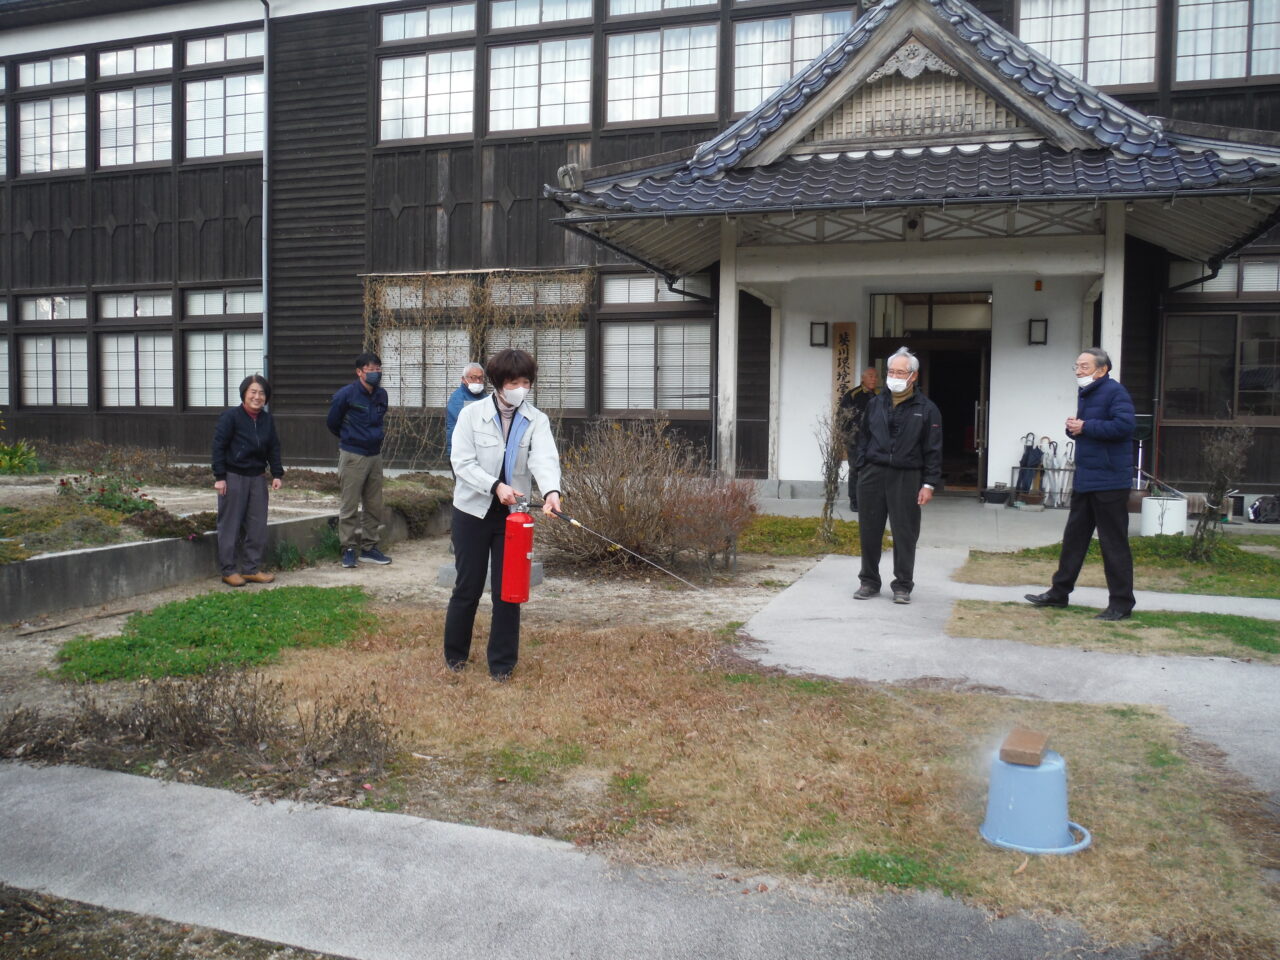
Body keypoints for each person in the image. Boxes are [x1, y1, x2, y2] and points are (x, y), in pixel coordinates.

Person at [446, 348, 562, 681]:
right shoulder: (471, 415)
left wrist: (551, 492)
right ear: (498, 383)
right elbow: (462, 462)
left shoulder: (536, 419)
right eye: (513, 383)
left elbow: (544, 458)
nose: (520, 389)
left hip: (513, 515)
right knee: (467, 586)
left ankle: (502, 665)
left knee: (508, 590)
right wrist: (495, 486)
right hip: (472, 510)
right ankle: (455, 656)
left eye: (526, 382)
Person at [1025, 348, 1136, 621]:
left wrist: (1085, 426)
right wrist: (1074, 428)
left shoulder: (1115, 392)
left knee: (1113, 544)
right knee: (1073, 540)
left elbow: (1124, 427)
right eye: (1076, 366)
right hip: (1086, 479)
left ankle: (1121, 604)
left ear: (1102, 370)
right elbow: (1092, 429)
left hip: (1110, 481)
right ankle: (1058, 593)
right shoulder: (1088, 393)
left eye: (1084, 366)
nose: (1078, 371)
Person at [853, 347, 943, 604]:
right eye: (891, 371)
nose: (894, 376)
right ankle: (869, 581)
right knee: (869, 530)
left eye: (900, 372)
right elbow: (863, 437)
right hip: (873, 473)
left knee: (905, 532)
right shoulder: (875, 403)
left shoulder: (927, 409)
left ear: (913, 376)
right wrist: (861, 465)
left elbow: (933, 449)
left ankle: (902, 585)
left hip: (907, 475)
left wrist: (929, 484)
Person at [212, 374, 284, 587]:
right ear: (244, 394)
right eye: (253, 392)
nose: (257, 397)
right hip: (233, 476)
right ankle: (228, 570)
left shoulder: (267, 420)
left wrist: (277, 473)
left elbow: (274, 447)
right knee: (230, 524)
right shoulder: (230, 417)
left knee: (257, 525)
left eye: (262, 393)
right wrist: (220, 477)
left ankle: (251, 569)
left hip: (257, 477)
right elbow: (218, 446)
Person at [327, 352, 391, 568]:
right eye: (370, 370)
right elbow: (332, 422)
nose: (375, 373)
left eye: (378, 369)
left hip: (375, 455)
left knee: (374, 504)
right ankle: (348, 548)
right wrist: (350, 437)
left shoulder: (381, 395)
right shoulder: (346, 395)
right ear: (359, 372)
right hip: (353, 455)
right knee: (350, 504)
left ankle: (369, 547)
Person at [838, 366, 881, 511]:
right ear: (863, 378)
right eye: (870, 376)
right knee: (855, 470)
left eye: (876, 376)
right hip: (855, 440)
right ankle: (854, 500)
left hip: (875, 441)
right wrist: (848, 438)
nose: (874, 379)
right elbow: (842, 418)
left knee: (874, 470)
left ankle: (870, 499)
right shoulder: (853, 395)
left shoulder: (880, 395)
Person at [445, 362, 486, 459]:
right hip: (461, 452)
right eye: (473, 378)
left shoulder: (485, 397)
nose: (477, 381)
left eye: (480, 378)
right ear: (463, 379)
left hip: (481, 450)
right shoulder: (457, 399)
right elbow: (465, 425)